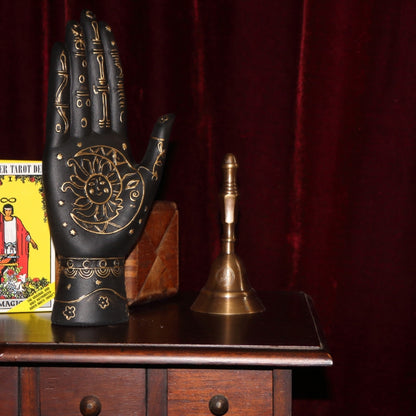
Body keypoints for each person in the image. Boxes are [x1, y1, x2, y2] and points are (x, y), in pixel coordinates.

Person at [0, 203, 38, 278]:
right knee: (4, 267)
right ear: (4, 211)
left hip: (15, 248)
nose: (8, 212)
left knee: (16, 267)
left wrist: (32, 241)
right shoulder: (1, 221)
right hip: (4, 249)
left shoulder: (16, 220)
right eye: (6, 210)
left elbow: (24, 232)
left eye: (10, 210)